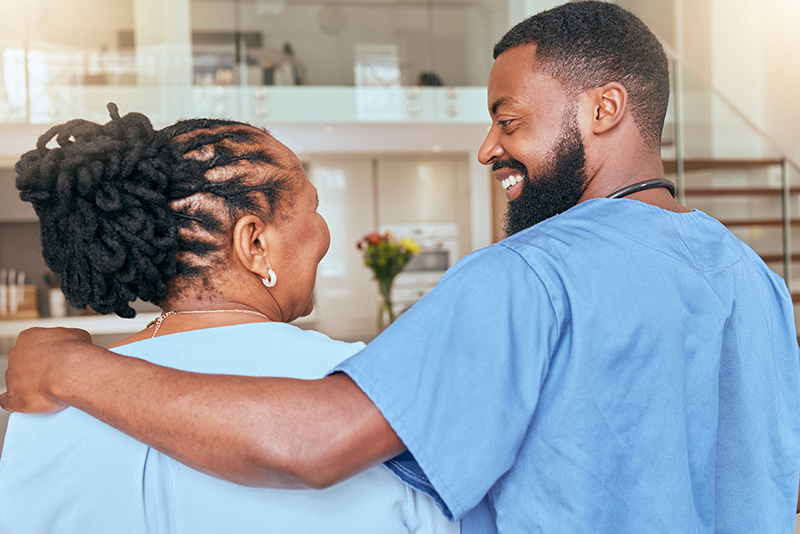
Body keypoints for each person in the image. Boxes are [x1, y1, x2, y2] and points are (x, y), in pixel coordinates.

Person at [3, 2, 800, 532]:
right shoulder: (755, 280)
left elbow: (316, 441)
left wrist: (72, 365)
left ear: (604, 108)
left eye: (507, 119)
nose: (488, 147)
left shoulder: (527, 275)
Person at [0, 104, 458, 534]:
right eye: (313, 208)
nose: (322, 232)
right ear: (254, 244)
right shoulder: (364, 395)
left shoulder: (42, 401)